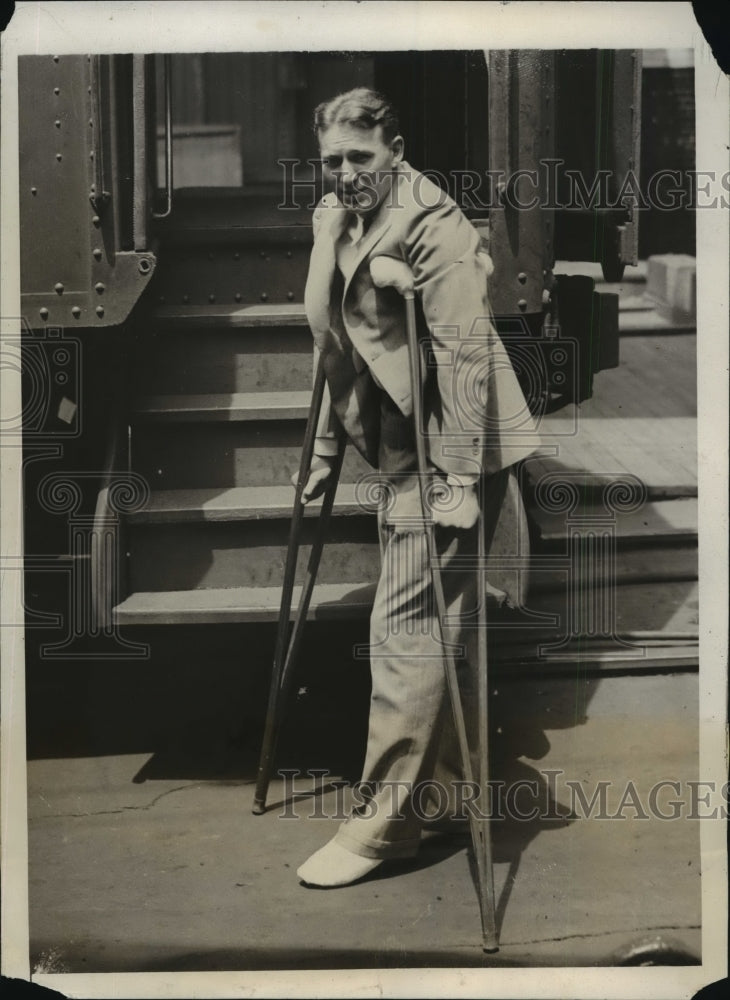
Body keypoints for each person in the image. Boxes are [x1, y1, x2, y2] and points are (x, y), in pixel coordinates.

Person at [296, 88, 539, 887]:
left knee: (405, 637)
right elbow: (338, 342)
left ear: (393, 149)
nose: (343, 174)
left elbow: (466, 355)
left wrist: (461, 479)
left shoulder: (435, 227)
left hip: (452, 448)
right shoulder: (345, 215)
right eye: (331, 160)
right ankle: (428, 802)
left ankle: (380, 831)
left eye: (359, 159)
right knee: (418, 632)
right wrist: (328, 451)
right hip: (402, 449)